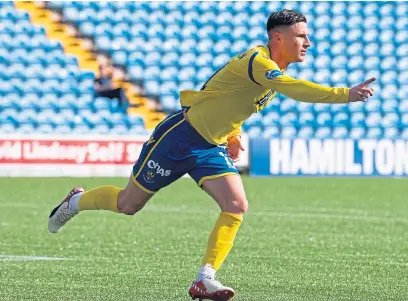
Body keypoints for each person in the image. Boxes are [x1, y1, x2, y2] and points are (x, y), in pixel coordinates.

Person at [48, 9, 375, 301]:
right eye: (302, 36)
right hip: (179, 138)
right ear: (278, 37)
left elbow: (227, 100)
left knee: (236, 205)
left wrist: (233, 135)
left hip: (209, 147)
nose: (309, 42)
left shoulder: (270, 70)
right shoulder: (259, 62)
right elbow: (294, 89)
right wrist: (345, 94)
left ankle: (205, 279)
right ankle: (75, 202)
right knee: (128, 205)